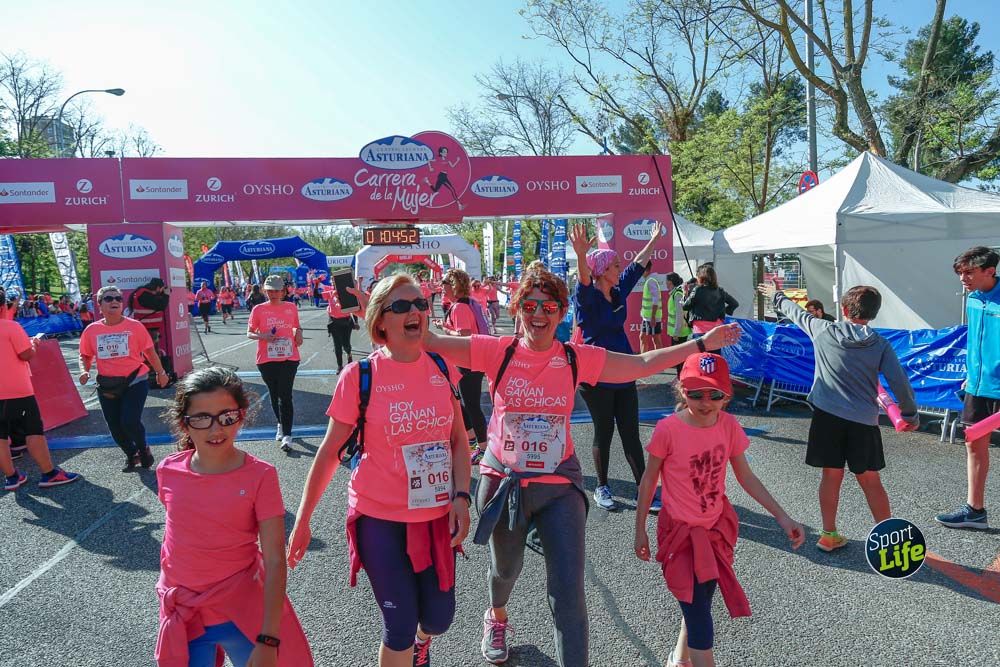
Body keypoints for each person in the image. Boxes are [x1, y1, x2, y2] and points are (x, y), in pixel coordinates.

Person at [424, 265, 741, 667]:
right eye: (531, 304)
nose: (539, 313)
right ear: (518, 307)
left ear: (560, 314)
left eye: (550, 306)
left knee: (568, 589)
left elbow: (643, 362)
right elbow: (429, 340)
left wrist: (700, 343)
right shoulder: (496, 350)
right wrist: (395, 312)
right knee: (505, 569)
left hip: (559, 485)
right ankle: (497, 615)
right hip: (503, 479)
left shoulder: (575, 358)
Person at [287, 273, 471, 667]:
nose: (415, 312)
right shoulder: (359, 377)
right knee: (399, 623)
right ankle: (408, 645)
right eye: (401, 306)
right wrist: (303, 521)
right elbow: (329, 453)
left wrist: (461, 497)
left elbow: (458, 441)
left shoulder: (441, 365)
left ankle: (424, 643)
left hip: (436, 515)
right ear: (380, 321)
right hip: (379, 516)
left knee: (439, 618)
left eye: (420, 304)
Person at [634, 353, 804, 667]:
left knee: (699, 602)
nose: (705, 401)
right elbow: (649, 479)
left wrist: (782, 516)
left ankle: (679, 658)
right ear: (681, 390)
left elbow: (746, 477)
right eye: (695, 392)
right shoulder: (668, 430)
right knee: (698, 611)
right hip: (680, 534)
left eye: (715, 393)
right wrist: (640, 527)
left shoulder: (727, 426)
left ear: (727, 395)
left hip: (715, 530)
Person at [155, 367, 313, 667]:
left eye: (227, 417)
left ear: (241, 415)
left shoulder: (261, 475)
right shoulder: (167, 470)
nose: (216, 429)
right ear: (183, 423)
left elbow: (276, 559)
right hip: (186, 617)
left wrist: (269, 638)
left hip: (240, 614)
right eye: (202, 418)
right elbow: (175, 539)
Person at [759, 282, 918, 551]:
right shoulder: (880, 345)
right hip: (863, 421)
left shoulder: (823, 330)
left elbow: (795, 312)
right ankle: (888, 542)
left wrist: (776, 294)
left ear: (843, 309)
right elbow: (898, 381)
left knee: (831, 476)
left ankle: (828, 535)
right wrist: (910, 413)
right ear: (874, 313)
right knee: (870, 480)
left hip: (827, 417)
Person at [569, 220, 665, 511]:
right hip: (596, 375)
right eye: (614, 266)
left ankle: (643, 489)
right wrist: (581, 254)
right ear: (601, 271)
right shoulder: (586, 298)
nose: (619, 269)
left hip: (623, 372)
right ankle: (601, 487)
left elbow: (637, 266)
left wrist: (654, 240)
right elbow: (585, 281)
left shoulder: (618, 291)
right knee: (604, 431)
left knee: (630, 432)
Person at [936, 246, 1000, 529]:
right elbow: (975, 341)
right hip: (978, 386)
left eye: (969, 272)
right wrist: (969, 375)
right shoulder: (973, 299)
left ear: (990, 271)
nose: (963, 278)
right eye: (960, 273)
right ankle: (975, 511)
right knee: (974, 445)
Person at [79, 285, 169, 471]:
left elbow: (149, 352)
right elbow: (85, 355)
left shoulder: (134, 326)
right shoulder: (91, 330)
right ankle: (131, 453)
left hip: (135, 380)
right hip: (107, 384)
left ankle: (143, 448)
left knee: (129, 420)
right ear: (99, 305)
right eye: (109, 298)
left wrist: (161, 372)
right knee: (114, 426)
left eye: (118, 299)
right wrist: (84, 370)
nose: (114, 302)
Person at [1, 319, 80, 491]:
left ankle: (11, 477)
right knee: (33, 430)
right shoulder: (10, 326)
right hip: (16, 388)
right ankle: (49, 473)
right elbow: (25, 354)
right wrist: (34, 344)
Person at [434, 268, 490, 465]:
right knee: (462, 403)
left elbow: (465, 335)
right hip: (468, 361)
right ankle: (475, 439)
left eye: (445, 283)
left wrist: (444, 330)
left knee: (472, 406)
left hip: (468, 362)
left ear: (454, 285)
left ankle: (483, 448)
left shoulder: (460, 307)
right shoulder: (464, 304)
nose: (442, 287)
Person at [247, 275, 303, 452]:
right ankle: (280, 423)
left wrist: (299, 333)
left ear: (283, 291)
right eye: (270, 290)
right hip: (266, 359)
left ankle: (287, 435)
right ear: (265, 290)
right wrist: (263, 336)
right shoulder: (258, 309)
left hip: (289, 357)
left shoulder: (291, 307)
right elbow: (249, 332)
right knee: (274, 394)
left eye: (277, 290)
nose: (273, 293)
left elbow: (296, 326)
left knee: (285, 396)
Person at [683, 264, 739, 337]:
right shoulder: (720, 291)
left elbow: (685, 306)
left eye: (697, 275)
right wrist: (721, 311)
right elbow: (734, 304)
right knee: (716, 348)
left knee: (700, 348)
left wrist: (685, 294)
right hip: (717, 329)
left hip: (701, 330)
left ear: (701, 277)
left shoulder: (698, 290)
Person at [324, 285, 355, 373]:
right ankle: (340, 365)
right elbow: (317, 294)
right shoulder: (330, 292)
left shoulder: (347, 292)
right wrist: (317, 284)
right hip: (334, 322)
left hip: (346, 322)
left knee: (346, 344)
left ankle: (349, 354)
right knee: (337, 345)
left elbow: (354, 305)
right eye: (333, 282)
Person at [664, 273, 691, 372]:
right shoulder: (676, 293)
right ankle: (680, 378)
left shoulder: (677, 294)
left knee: (679, 358)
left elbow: (679, 315)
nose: (665, 283)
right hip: (678, 332)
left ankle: (681, 379)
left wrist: (676, 332)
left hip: (679, 333)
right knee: (678, 358)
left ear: (670, 282)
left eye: (666, 281)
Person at [639, 261, 662, 353]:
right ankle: (642, 361)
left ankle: (660, 365)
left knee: (655, 339)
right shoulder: (649, 280)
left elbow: (655, 299)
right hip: (647, 318)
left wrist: (653, 316)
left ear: (645, 269)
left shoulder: (651, 281)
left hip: (652, 317)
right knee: (642, 337)